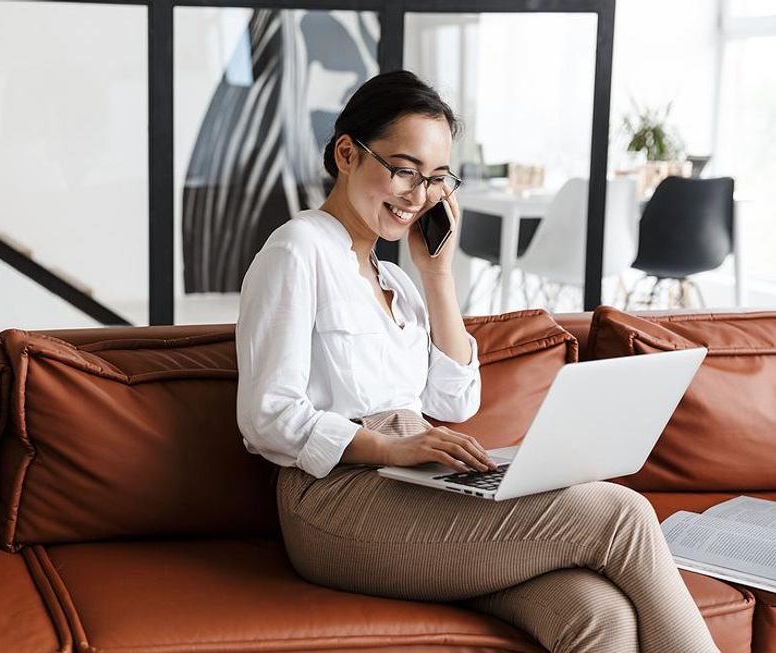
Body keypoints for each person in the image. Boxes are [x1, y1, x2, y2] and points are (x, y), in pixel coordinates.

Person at [234, 70, 718, 653]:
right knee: (621, 515)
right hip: (336, 500)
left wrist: (437, 277)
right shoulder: (297, 249)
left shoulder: (396, 281)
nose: (417, 195)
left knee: (599, 613)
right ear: (346, 153)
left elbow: (455, 400)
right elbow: (267, 415)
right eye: (404, 169)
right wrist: (392, 447)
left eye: (436, 179)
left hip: (414, 483)